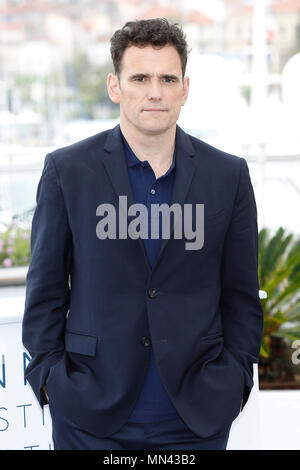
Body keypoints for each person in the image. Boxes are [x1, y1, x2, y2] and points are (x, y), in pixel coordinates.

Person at [22, 17, 264, 450]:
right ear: (115, 87)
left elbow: (242, 295)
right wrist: (51, 383)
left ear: (184, 89)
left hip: (197, 418)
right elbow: (45, 292)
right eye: (140, 77)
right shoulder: (67, 171)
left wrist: (234, 381)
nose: (155, 91)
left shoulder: (227, 175)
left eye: (167, 78)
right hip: (90, 417)